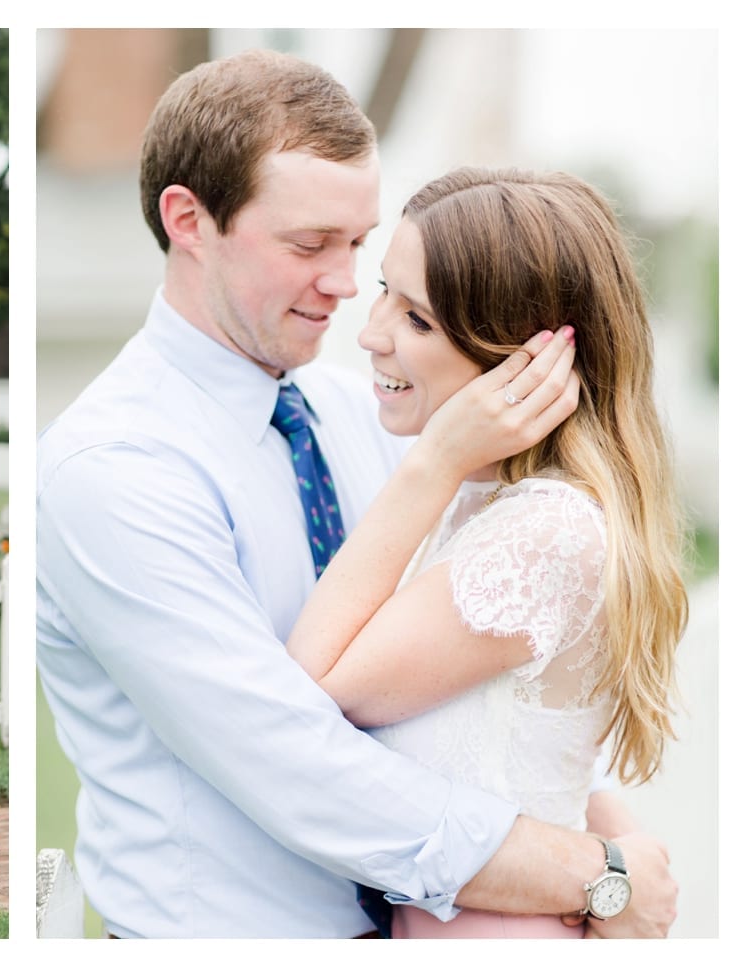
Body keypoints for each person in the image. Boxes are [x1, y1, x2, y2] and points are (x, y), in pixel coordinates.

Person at [35, 48, 678, 938]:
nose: (344, 283)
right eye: (310, 244)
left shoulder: (366, 419)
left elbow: (467, 695)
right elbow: (297, 762)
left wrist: (609, 831)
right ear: (188, 218)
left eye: (357, 245)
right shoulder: (112, 470)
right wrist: (594, 873)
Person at [282, 167, 688, 937]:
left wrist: (431, 463)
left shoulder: (545, 530)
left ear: (522, 359)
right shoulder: (489, 507)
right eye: (384, 293)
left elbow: (310, 690)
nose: (371, 333)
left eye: (419, 320)